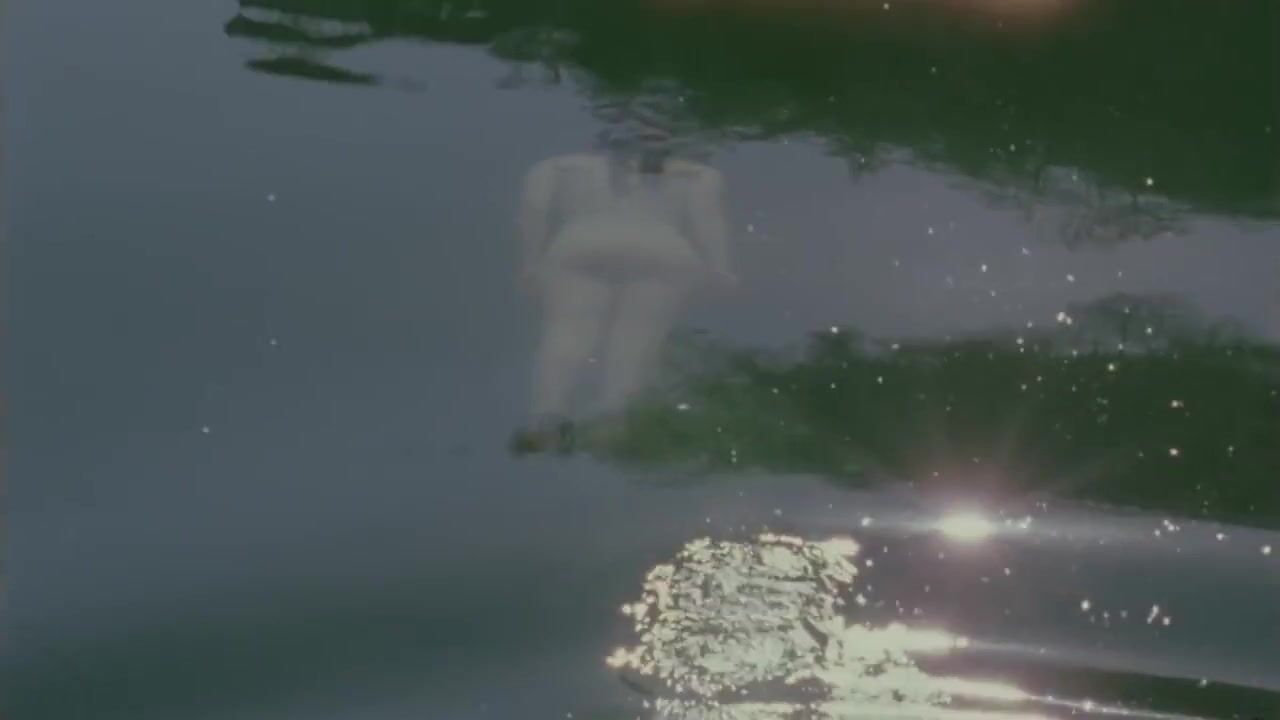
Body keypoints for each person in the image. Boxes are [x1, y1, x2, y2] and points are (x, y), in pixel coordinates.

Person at [512, 124, 735, 454]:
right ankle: (613, 413)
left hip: (582, 244)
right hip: (661, 248)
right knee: (638, 335)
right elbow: (708, 220)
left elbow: (533, 210)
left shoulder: (554, 167)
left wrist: (530, 263)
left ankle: (547, 414)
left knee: (568, 330)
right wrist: (721, 268)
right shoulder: (700, 176)